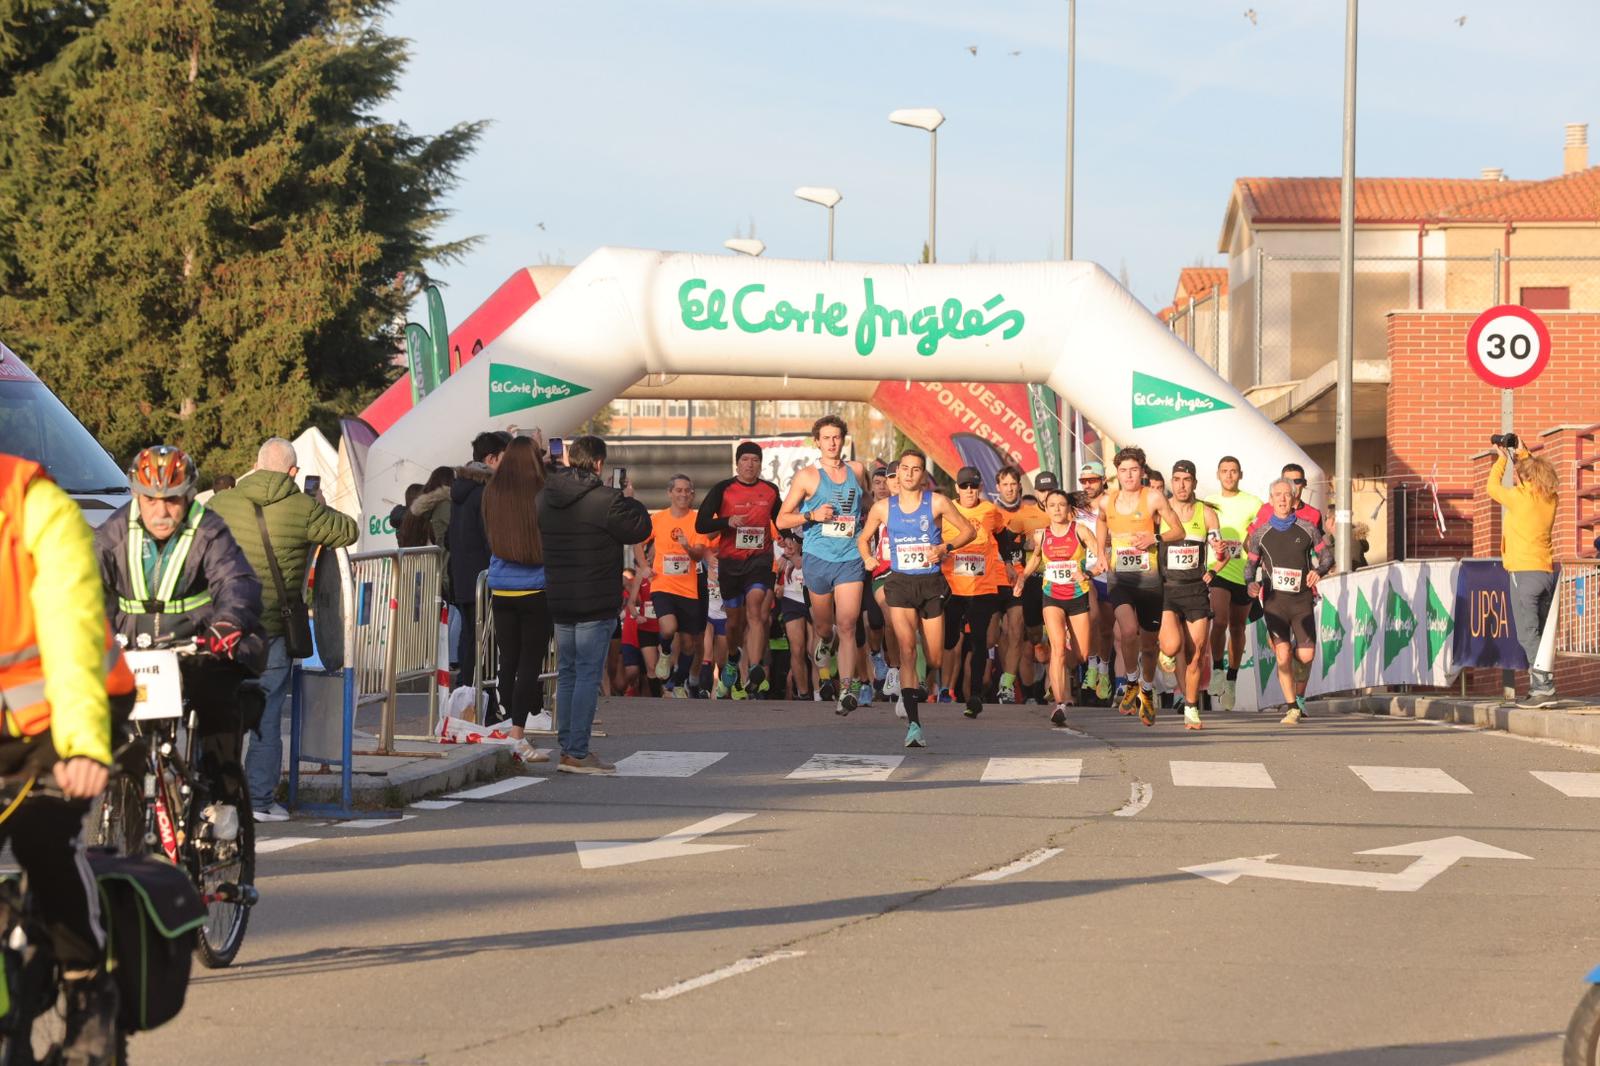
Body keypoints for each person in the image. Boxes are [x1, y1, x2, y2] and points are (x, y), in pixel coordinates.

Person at [1, 453, 130, 1062]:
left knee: (42, 839)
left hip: (67, 707)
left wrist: (80, 745)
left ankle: (88, 989)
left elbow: (73, 631)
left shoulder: (34, 504)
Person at [95, 445, 264, 836]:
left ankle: (222, 801)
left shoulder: (209, 530)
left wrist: (227, 623)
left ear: (188, 495)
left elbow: (237, 581)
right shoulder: (112, 532)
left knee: (219, 701)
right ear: (136, 495)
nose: (161, 510)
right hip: (133, 649)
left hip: (198, 646)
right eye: (150, 499)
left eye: (172, 499)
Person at [209, 437, 358, 821]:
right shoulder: (303, 508)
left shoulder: (220, 503)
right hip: (270, 629)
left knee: (217, 713)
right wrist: (319, 506)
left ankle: (210, 798)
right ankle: (258, 802)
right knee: (265, 717)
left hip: (221, 627)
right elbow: (348, 531)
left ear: (255, 466)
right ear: (293, 472)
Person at [537, 435, 651, 773]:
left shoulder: (545, 497)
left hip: (559, 596)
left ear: (571, 460)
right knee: (587, 673)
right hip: (595, 598)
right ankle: (578, 751)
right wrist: (629, 499)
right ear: (599, 464)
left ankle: (568, 747)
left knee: (569, 673)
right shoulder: (607, 500)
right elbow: (639, 529)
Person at [857, 447, 974, 747]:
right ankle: (913, 725)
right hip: (899, 584)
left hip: (931, 584)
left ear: (923, 474)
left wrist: (944, 548)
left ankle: (920, 683)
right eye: (904, 469)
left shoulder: (936, 502)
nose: (909, 474)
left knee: (934, 656)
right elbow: (863, 538)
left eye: (915, 469)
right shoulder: (884, 508)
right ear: (898, 475)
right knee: (907, 650)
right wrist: (868, 558)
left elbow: (968, 531)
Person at [779, 416, 871, 715]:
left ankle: (846, 689)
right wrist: (811, 516)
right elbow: (782, 519)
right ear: (816, 441)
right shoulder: (808, 476)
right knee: (824, 627)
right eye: (827, 438)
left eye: (837, 437)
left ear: (843, 440)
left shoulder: (857, 470)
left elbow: (868, 505)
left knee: (847, 624)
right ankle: (824, 642)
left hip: (850, 557)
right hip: (818, 558)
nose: (833, 443)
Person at [1095, 446, 1184, 726]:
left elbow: (1179, 531)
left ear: (1142, 471)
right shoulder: (1106, 501)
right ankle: (1131, 680)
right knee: (1128, 631)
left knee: (1149, 644)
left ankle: (1146, 687)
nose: (1129, 475)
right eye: (1123, 470)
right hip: (1120, 577)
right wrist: (1100, 552)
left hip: (1149, 580)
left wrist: (1155, 538)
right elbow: (1100, 521)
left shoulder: (1153, 497)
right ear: (1117, 473)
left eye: (1134, 470)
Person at [480, 437, 554, 764]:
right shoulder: (541, 492)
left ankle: (506, 721)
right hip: (536, 587)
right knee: (529, 664)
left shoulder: (492, 492)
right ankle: (518, 735)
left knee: (507, 658)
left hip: (501, 586)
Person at [695, 442, 782, 699]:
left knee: (756, 607)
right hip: (731, 564)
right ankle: (733, 659)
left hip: (759, 559)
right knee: (733, 623)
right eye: (745, 459)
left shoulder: (770, 491)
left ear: (760, 464)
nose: (750, 464)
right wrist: (727, 521)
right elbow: (701, 524)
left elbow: (780, 519)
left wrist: (789, 537)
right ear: (737, 463)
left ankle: (754, 666)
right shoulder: (723, 489)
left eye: (755, 460)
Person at [1245, 478, 1333, 724]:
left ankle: (1296, 688)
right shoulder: (1260, 533)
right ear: (1270, 500)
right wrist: (1250, 583)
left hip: (1302, 601)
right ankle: (1292, 706)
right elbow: (1250, 566)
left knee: (1305, 656)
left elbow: (1326, 557)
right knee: (1282, 655)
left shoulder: (1308, 529)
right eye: (1277, 495)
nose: (1282, 499)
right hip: (1274, 602)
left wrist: (1319, 571)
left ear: (1294, 499)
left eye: (1287, 495)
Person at [1012, 487, 1100, 727]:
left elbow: (1102, 558)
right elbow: (1036, 558)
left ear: (1069, 507)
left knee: (1080, 654)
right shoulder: (1041, 535)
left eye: (1061, 504)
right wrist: (1023, 577)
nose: (1057, 509)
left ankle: (1064, 667)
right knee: (1057, 649)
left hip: (1077, 595)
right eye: (1052, 505)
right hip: (1051, 596)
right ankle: (1060, 703)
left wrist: (1088, 572)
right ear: (1046, 508)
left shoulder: (1080, 531)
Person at [1487, 439, 1559, 703]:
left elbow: (1492, 487)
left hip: (1523, 571)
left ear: (1524, 478)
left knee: (1528, 634)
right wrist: (1523, 453)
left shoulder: (1519, 498)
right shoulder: (1550, 499)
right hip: (1546, 571)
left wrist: (1503, 460)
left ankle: (1544, 688)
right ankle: (1539, 685)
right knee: (1540, 631)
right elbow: (1532, 475)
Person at [1158, 461, 1222, 731]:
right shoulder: (1161, 511)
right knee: (1173, 647)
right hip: (1167, 589)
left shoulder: (1206, 514)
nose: (1181, 485)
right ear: (1171, 483)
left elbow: (1222, 553)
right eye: (1177, 479)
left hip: (1196, 590)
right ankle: (1167, 654)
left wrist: (1214, 567)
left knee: (1196, 653)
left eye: (1186, 479)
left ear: (1195, 482)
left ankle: (1192, 707)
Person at [447, 431, 511, 689]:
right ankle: (477, 698)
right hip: (484, 577)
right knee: (483, 641)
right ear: (492, 459)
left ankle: (465, 693)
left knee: (469, 638)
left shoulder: (461, 490)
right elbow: (490, 536)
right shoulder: (486, 492)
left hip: (463, 577)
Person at [943, 466, 1008, 718]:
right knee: (949, 640)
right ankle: (944, 687)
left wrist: (1010, 565)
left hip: (982, 588)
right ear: (956, 488)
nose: (970, 491)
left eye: (974, 486)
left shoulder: (990, 511)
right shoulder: (946, 509)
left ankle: (975, 696)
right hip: (952, 588)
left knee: (980, 640)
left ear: (979, 487)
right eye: (965, 486)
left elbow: (1003, 535)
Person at [1203, 456, 1263, 711]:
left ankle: (1232, 677)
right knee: (1219, 621)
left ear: (1241, 474)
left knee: (1238, 628)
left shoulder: (1253, 502)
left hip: (1243, 572)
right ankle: (1217, 668)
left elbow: (1259, 534)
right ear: (1217, 475)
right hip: (1218, 571)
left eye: (1233, 471)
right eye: (1224, 471)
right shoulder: (1208, 502)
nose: (1229, 475)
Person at [646, 475, 712, 697]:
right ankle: (665, 652)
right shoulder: (657, 519)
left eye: (688, 491)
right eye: (679, 490)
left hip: (689, 588)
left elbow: (699, 554)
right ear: (670, 493)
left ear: (692, 494)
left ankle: (678, 683)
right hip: (662, 584)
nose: (683, 494)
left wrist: (686, 547)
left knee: (689, 644)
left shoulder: (698, 520)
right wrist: (642, 565)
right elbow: (638, 539)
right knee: (668, 628)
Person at [1073, 462, 1114, 704]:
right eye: (1084, 481)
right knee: (1093, 618)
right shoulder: (1077, 508)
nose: (1088, 485)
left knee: (1107, 629)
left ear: (1103, 480)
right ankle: (1090, 664)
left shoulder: (1114, 503)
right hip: (1086, 574)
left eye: (1093, 480)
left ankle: (1103, 669)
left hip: (1110, 573)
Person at [776, 532, 814, 700]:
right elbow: (774, 568)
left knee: (813, 651)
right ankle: (804, 693)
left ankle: (820, 692)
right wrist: (776, 584)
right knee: (797, 648)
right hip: (791, 598)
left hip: (813, 595)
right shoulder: (779, 541)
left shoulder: (812, 531)